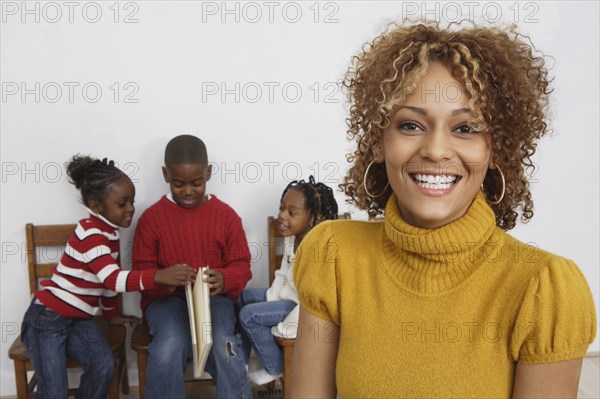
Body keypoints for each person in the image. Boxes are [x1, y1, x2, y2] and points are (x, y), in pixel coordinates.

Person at [290, 21, 597, 398]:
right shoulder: (333, 254)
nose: (436, 150)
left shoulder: (543, 288)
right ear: (378, 142)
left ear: (495, 149)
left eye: (465, 128)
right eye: (410, 124)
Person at [20, 155, 196, 399]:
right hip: (48, 319)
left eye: (132, 201)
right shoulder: (91, 234)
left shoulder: (110, 232)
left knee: (104, 365)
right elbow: (112, 279)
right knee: (54, 392)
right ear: (96, 206)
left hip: (79, 320)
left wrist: (112, 315)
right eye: (122, 203)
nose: (131, 208)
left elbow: (106, 285)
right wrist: (158, 276)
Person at [132, 134, 253, 398]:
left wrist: (224, 278)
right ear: (165, 175)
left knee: (225, 346)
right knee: (169, 346)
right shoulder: (151, 219)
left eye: (196, 183)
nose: (188, 191)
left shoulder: (226, 216)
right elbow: (141, 274)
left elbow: (242, 266)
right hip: (166, 302)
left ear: (209, 173)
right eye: (178, 184)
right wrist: (163, 278)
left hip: (216, 301)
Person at [238, 176, 339, 385]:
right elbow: (283, 274)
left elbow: (312, 301)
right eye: (282, 208)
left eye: (291, 213)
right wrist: (270, 300)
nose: (282, 216)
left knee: (249, 316)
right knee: (243, 298)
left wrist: (283, 328)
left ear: (315, 219)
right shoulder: (293, 238)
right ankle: (242, 362)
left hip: (300, 308)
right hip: (286, 298)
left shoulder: (317, 250)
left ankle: (276, 367)